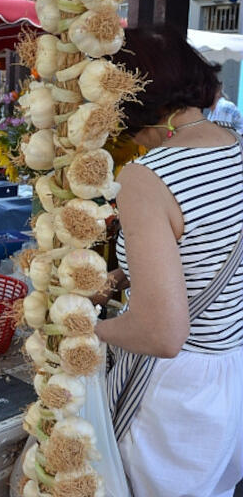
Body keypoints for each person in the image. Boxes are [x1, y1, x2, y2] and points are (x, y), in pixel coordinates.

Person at [94, 26, 243, 496]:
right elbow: (210, 249)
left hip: (177, 398)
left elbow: (162, 334)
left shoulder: (147, 176)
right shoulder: (237, 148)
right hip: (231, 377)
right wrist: (124, 273)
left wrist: (79, 328)